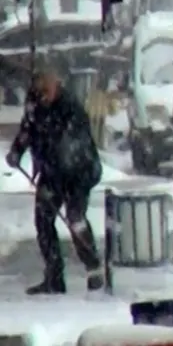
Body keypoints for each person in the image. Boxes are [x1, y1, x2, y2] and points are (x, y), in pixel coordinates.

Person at [6, 63, 104, 294]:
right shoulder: (35, 103)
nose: (43, 96)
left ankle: (94, 270)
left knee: (75, 217)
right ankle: (54, 276)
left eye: (46, 90)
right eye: (39, 89)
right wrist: (16, 151)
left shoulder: (71, 108)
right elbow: (27, 129)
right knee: (43, 219)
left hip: (79, 171)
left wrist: (55, 177)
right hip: (52, 172)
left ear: (56, 84)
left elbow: (71, 149)